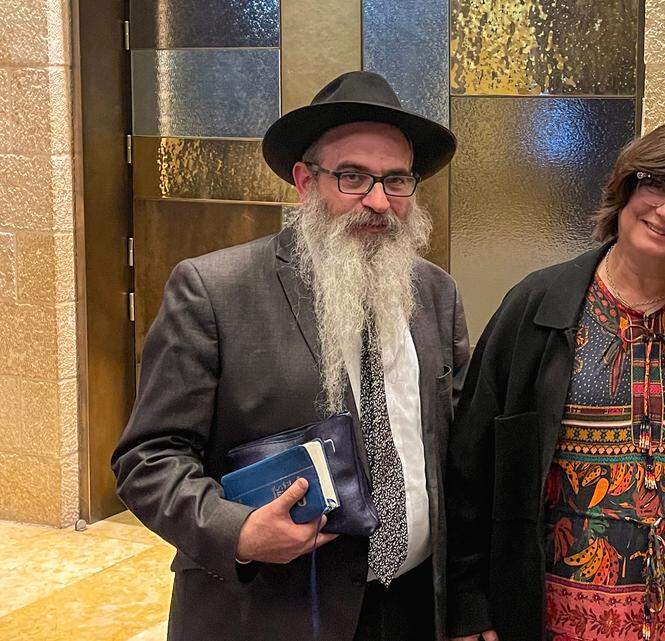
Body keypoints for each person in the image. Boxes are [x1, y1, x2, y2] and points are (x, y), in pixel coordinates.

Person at [111, 71, 469, 641]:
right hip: (273, 612)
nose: (378, 201)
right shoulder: (214, 291)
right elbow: (148, 458)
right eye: (352, 177)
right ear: (305, 181)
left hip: (413, 607)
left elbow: (455, 448)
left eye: (397, 180)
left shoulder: (435, 292)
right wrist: (239, 531)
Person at [445, 119, 665, 641]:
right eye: (656, 184)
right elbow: (470, 463)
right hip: (549, 622)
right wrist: (468, 606)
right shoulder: (536, 308)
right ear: (627, 185)